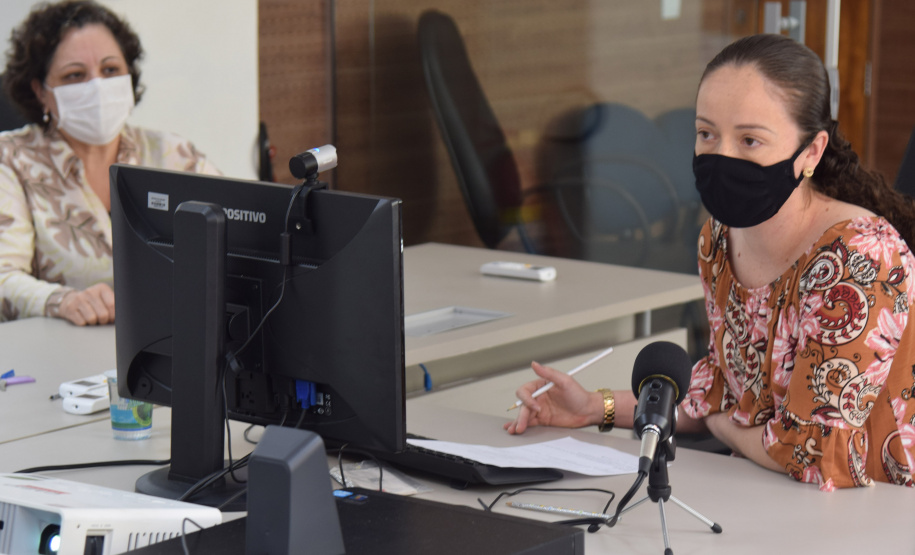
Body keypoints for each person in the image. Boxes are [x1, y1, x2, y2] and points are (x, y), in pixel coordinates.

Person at [506, 34, 915, 491]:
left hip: (883, 514)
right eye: (707, 134)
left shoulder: (859, 256)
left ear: (812, 153)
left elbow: (814, 453)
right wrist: (592, 407)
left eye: (749, 140)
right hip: (771, 495)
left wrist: (724, 427)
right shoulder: (719, 238)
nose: (722, 156)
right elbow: (719, 393)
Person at [0, 0, 220, 326]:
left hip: (172, 345)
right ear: (41, 92)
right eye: (75, 75)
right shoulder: (11, 158)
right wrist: (62, 301)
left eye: (110, 70)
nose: (97, 86)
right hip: (62, 355)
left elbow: (241, 239)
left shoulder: (173, 153)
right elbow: (4, 278)